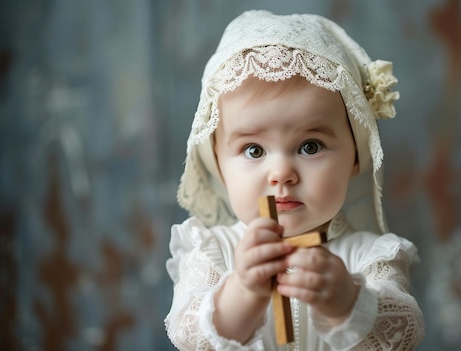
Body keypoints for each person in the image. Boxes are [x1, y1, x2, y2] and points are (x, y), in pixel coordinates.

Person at [165, 10, 424, 350]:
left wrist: (347, 302)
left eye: (309, 146)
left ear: (356, 157)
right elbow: (191, 337)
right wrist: (243, 291)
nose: (281, 174)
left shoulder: (372, 257)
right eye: (254, 151)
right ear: (218, 163)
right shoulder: (213, 252)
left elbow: (402, 335)